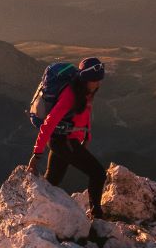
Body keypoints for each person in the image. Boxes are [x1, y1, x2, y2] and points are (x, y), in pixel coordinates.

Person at [26, 56, 106, 215]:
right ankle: (96, 215)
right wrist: (37, 154)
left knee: (52, 181)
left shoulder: (85, 90)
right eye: (94, 80)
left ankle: (34, 211)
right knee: (98, 174)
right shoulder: (70, 95)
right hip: (62, 141)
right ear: (85, 79)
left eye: (99, 80)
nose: (98, 84)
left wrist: (86, 136)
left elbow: (86, 112)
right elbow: (48, 124)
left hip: (65, 140)